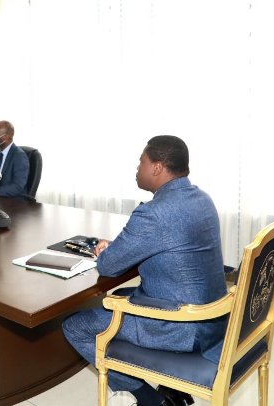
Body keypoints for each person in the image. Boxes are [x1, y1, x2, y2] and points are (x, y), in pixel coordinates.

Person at [62, 136, 227, 406]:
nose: (137, 168)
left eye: (141, 162)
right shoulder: (202, 199)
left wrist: (107, 252)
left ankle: (152, 401)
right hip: (215, 320)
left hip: (181, 327)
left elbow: (108, 266)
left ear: (157, 167)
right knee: (121, 296)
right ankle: (173, 389)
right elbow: (171, 244)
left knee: (75, 326)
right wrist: (121, 246)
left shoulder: (154, 213)